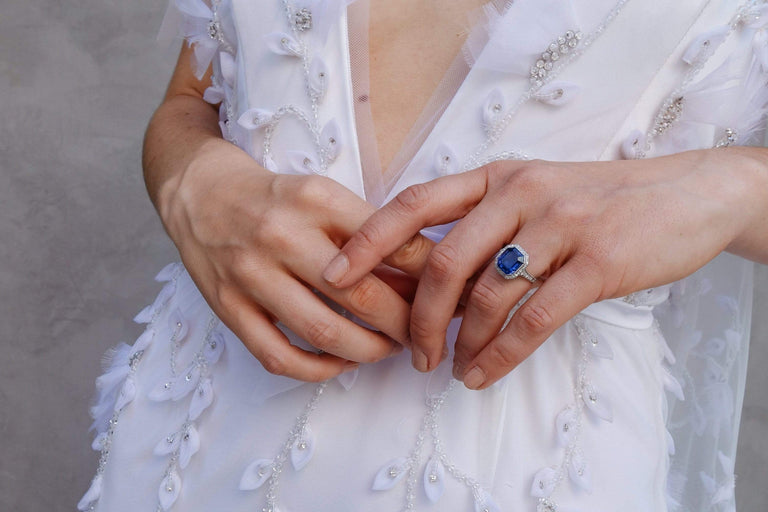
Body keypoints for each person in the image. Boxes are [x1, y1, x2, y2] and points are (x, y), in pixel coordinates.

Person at [79, 0, 768, 511]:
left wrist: (734, 186)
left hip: (521, 467)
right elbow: (194, 97)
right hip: (196, 438)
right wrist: (190, 180)